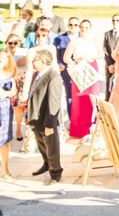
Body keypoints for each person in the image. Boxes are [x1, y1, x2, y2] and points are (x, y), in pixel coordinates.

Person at [27, 48, 64, 185]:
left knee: (52, 146)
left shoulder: (53, 77)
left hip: (46, 120)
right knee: (42, 145)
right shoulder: (38, 75)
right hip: (36, 118)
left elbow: (54, 102)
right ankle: (47, 163)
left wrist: (50, 124)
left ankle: (55, 172)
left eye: (35, 59)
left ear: (43, 61)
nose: (32, 61)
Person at [63, 19, 100, 139]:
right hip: (79, 71)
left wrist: (91, 58)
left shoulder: (94, 41)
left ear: (90, 28)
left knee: (92, 99)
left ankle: (91, 126)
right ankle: (79, 129)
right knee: (79, 100)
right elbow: (66, 58)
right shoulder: (74, 42)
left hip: (92, 70)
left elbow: (100, 54)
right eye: (82, 27)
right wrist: (75, 61)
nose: (84, 29)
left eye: (86, 27)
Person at [53, 17, 80, 115]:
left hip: (81, 70)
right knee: (70, 94)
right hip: (66, 70)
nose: (73, 27)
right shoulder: (59, 38)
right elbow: (55, 54)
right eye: (71, 24)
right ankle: (71, 118)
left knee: (81, 95)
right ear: (67, 25)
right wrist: (59, 63)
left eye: (76, 25)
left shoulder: (82, 37)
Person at [0, 50, 17, 181]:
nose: (1, 60)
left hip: (5, 109)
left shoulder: (9, 74)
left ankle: (5, 170)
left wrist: (5, 93)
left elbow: (14, 92)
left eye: (4, 58)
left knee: (5, 140)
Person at [103, 14, 119, 102]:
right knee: (109, 87)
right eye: (113, 20)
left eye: (117, 20)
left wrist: (116, 63)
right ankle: (107, 107)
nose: (115, 22)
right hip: (110, 65)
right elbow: (105, 50)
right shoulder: (107, 34)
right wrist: (109, 64)